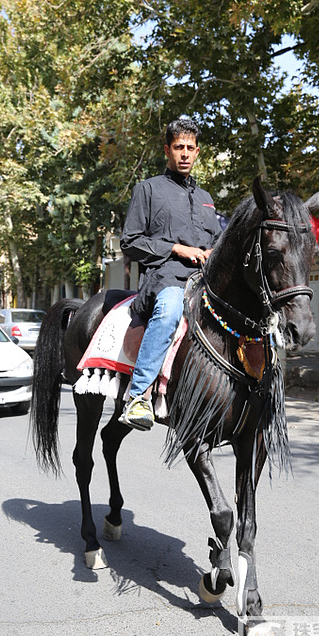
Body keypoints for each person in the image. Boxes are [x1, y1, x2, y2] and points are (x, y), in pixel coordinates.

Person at [119, 118, 221, 430]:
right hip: (164, 278)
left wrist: (212, 252)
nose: (185, 154)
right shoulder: (147, 189)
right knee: (170, 309)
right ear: (168, 150)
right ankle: (138, 396)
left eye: (191, 148)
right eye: (179, 147)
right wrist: (177, 249)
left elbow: (217, 240)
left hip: (204, 280)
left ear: (198, 151)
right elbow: (130, 242)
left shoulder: (205, 198)